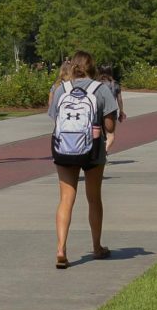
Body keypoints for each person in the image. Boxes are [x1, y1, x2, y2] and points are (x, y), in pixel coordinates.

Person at [48, 50, 118, 269]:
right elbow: (110, 126)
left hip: (64, 148)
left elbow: (54, 118)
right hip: (93, 149)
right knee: (93, 198)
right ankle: (96, 247)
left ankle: (61, 248)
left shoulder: (62, 89)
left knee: (66, 198)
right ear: (92, 67)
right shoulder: (102, 89)